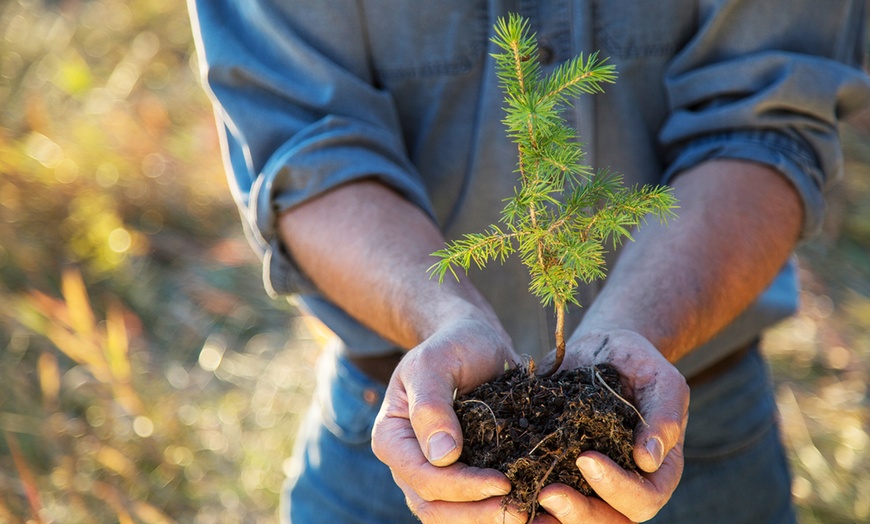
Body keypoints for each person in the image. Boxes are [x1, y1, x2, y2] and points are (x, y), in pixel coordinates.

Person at [187, 1, 870, 522]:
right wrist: (443, 316)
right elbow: (304, 148)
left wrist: (631, 336)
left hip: (689, 424)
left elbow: (767, 123)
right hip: (404, 424)